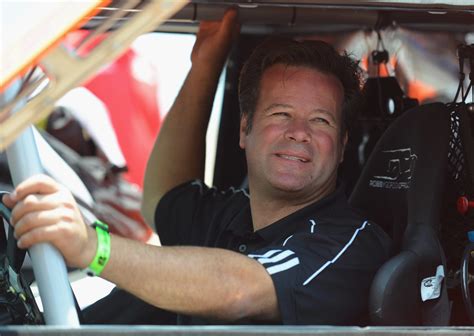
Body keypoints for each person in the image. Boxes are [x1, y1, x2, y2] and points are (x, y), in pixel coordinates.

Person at [2, 9, 391, 325]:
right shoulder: (231, 216)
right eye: (281, 113)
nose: (299, 133)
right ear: (244, 129)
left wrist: (93, 247)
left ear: (341, 147)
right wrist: (205, 63)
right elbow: (163, 197)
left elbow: (241, 288)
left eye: (320, 121)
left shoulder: (351, 242)